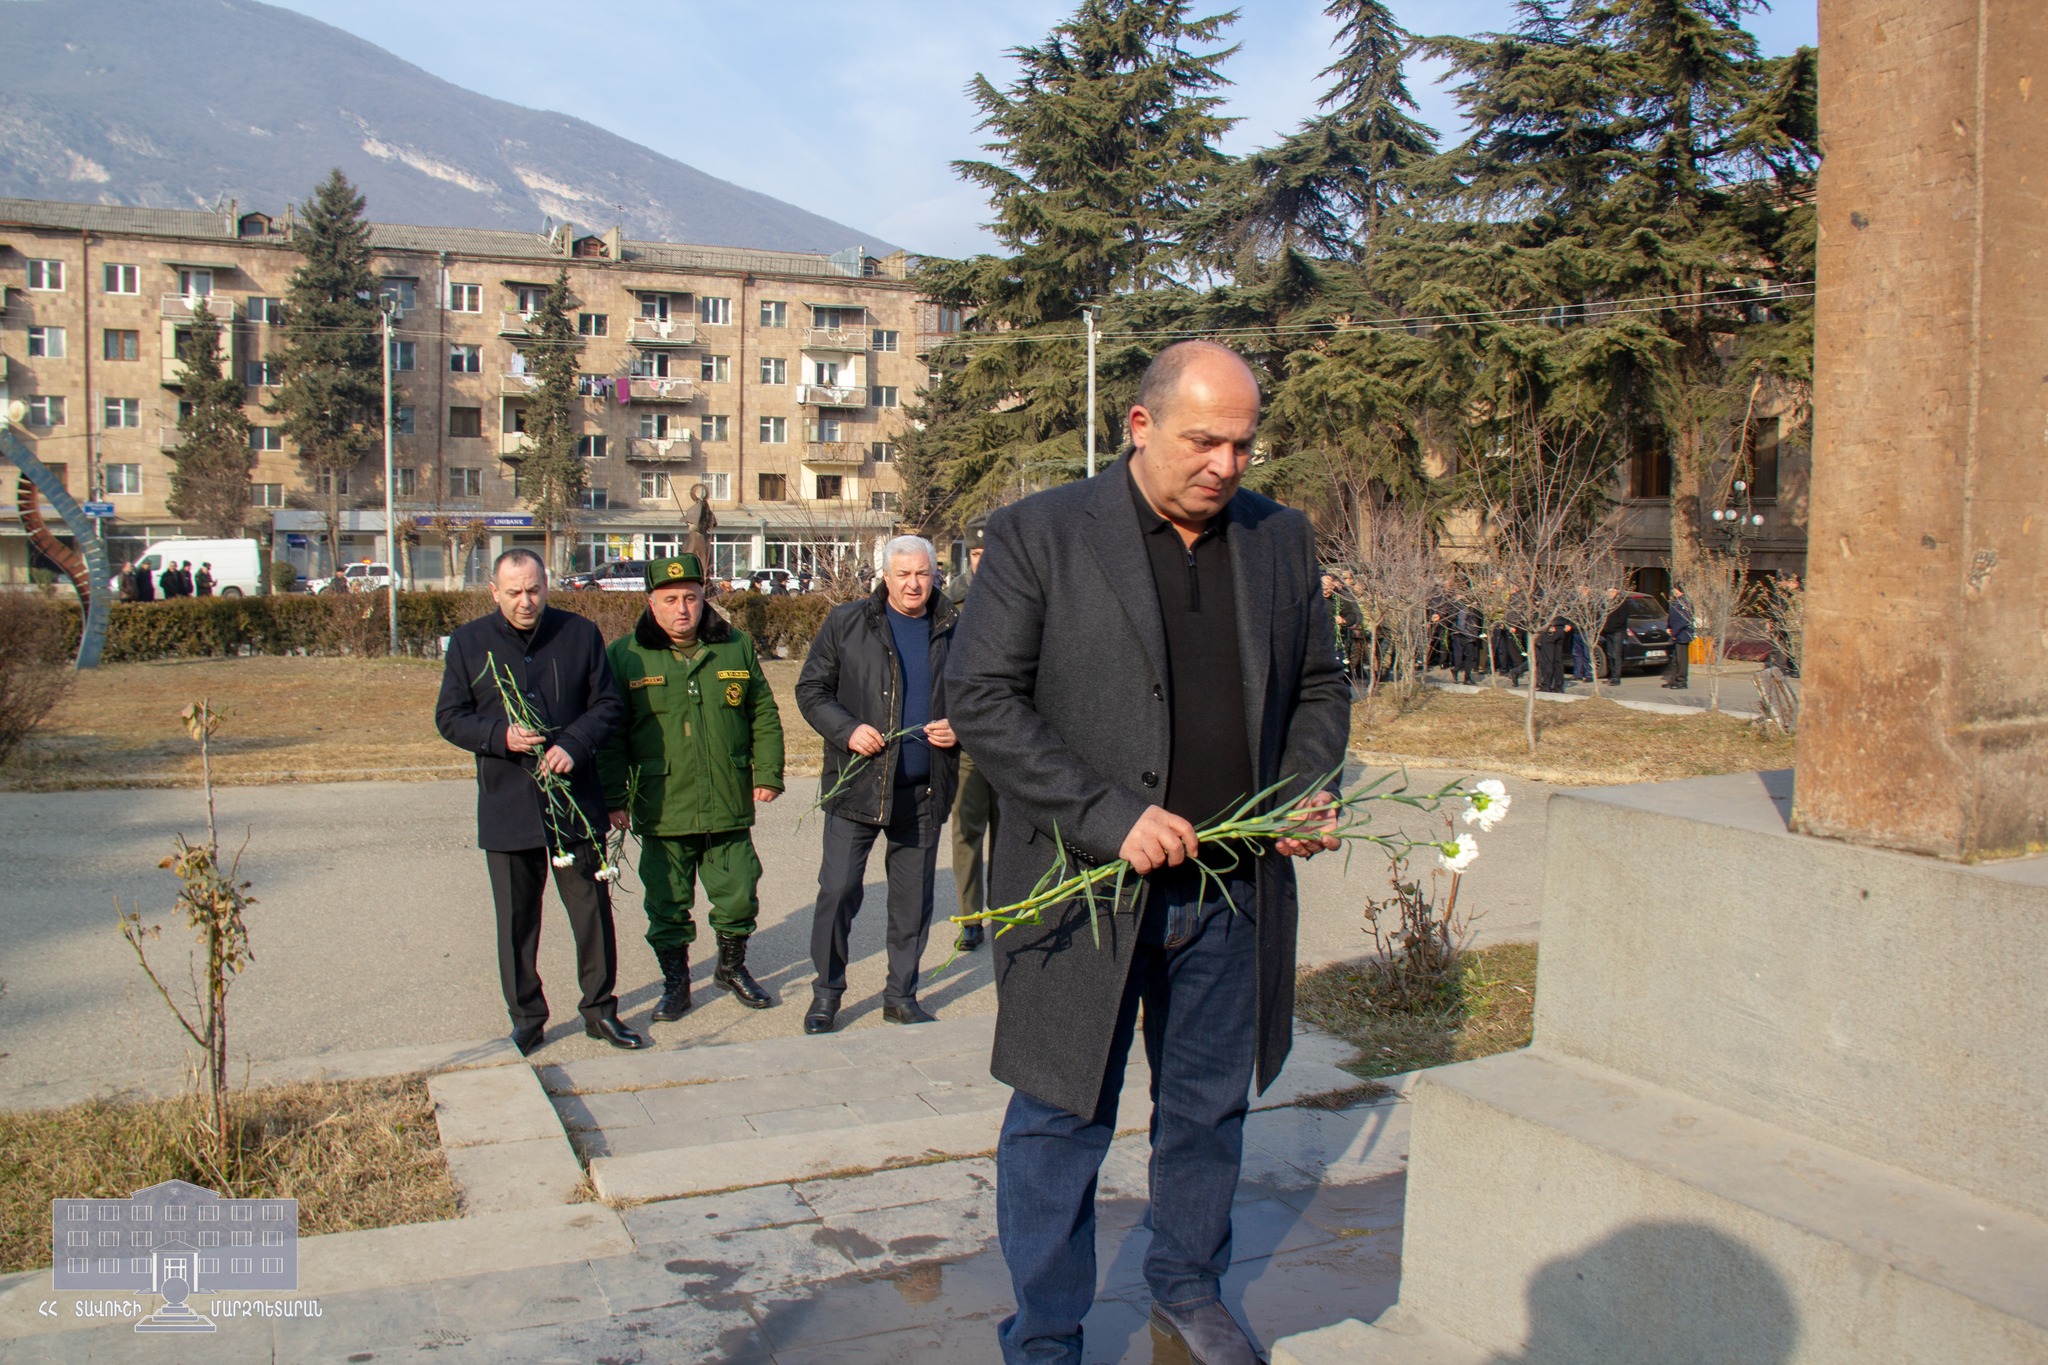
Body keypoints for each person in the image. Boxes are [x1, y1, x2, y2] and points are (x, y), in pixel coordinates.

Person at [947, 340, 1351, 1365]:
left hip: (1230, 889)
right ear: (1139, 426)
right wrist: (1102, 813)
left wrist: (1305, 787)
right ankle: (1043, 1331)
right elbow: (981, 699)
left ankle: (1187, 1286)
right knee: (1058, 1119)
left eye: (1242, 446)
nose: (1224, 465)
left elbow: (1317, 685)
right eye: (1202, 440)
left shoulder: (1279, 540)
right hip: (1079, 891)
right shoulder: (1041, 533)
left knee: (1208, 1109)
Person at [434, 548, 645, 1056]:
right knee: (517, 921)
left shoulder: (579, 635)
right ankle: (527, 1016)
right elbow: (450, 716)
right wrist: (496, 736)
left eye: (534, 590)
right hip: (509, 806)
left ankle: (600, 1011)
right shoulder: (468, 644)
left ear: (547, 585)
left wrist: (574, 745)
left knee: (592, 913)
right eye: (514, 593)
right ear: (494, 592)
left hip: (574, 803)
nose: (526, 601)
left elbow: (608, 704)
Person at [599, 554, 785, 1021]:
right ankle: (676, 983)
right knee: (666, 901)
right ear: (651, 603)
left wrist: (766, 773)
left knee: (739, 889)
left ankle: (730, 967)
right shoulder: (625, 656)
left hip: (726, 795)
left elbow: (762, 712)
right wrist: (613, 799)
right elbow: (609, 735)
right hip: (663, 803)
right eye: (670, 600)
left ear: (704, 599)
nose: (682, 609)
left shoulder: (735, 646)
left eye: (691, 598)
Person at [795, 535, 961, 1033]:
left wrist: (962, 727)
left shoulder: (958, 628)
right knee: (839, 889)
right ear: (884, 577)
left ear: (936, 575)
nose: (914, 584)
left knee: (913, 900)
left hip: (924, 788)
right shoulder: (847, 622)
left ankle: (901, 995)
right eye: (903, 574)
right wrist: (848, 730)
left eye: (923, 573)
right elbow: (811, 689)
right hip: (859, 784)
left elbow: (985, 695)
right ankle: (826, 994)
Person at [946, 515, 993, 953]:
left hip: (1017, 737)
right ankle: (972, 916)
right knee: (967, 830)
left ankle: (1013, 908)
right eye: (976, 553)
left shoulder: (1027, 593)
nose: (984, 560)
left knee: (1019, 831)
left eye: (990, 551)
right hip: (969, 738)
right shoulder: (950, 604)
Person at [1598, 587, 1631, 682]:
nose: (1607, 594)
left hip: (1617, 632)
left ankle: (1616, 677)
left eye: (1609, 592)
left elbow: (1623, 618)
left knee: (1616, 654)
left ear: (1615, 592)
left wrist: (1613, 626)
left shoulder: (1621, 603)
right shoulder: (1607, 603)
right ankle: (1611, 676)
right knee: (1609, 654)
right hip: (1608, 632)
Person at [1664, 585, 1694, 690]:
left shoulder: (1685, 602)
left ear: (1679, 590)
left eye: (1674, 589)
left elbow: (1684, 620)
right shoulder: (1676, 601)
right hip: (1676, 634)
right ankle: (1673, 680)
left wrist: (1674, 632)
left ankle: (1682, 681)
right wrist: (1668, 627)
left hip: (1682, 635)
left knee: (1681, 660)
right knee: (1675, 659)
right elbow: (1671, 616)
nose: (1673, 591)